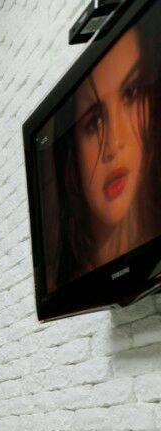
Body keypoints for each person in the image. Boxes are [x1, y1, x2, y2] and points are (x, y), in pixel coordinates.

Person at [51, 17, 161, 287]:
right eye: (94, 121)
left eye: (131, 94)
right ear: (72, 153)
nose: (113, 144)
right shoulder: (68, 290)